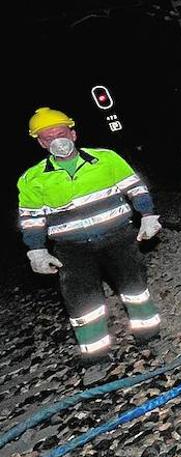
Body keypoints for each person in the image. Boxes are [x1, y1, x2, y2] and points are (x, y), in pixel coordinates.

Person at [18, 107, 162, 379]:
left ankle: (149, 335)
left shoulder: (106, 159)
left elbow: (136, 188)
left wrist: (147, 215)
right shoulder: (32, 180)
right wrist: (36, 250)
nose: (56, 141)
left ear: (73, 133)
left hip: (118, 237)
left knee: (134, 286)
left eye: (61, 134)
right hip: (71, 250)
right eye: (48, 138)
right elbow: (32, 220)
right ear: (40, 142)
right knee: (82, 303)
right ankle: (95, 357)